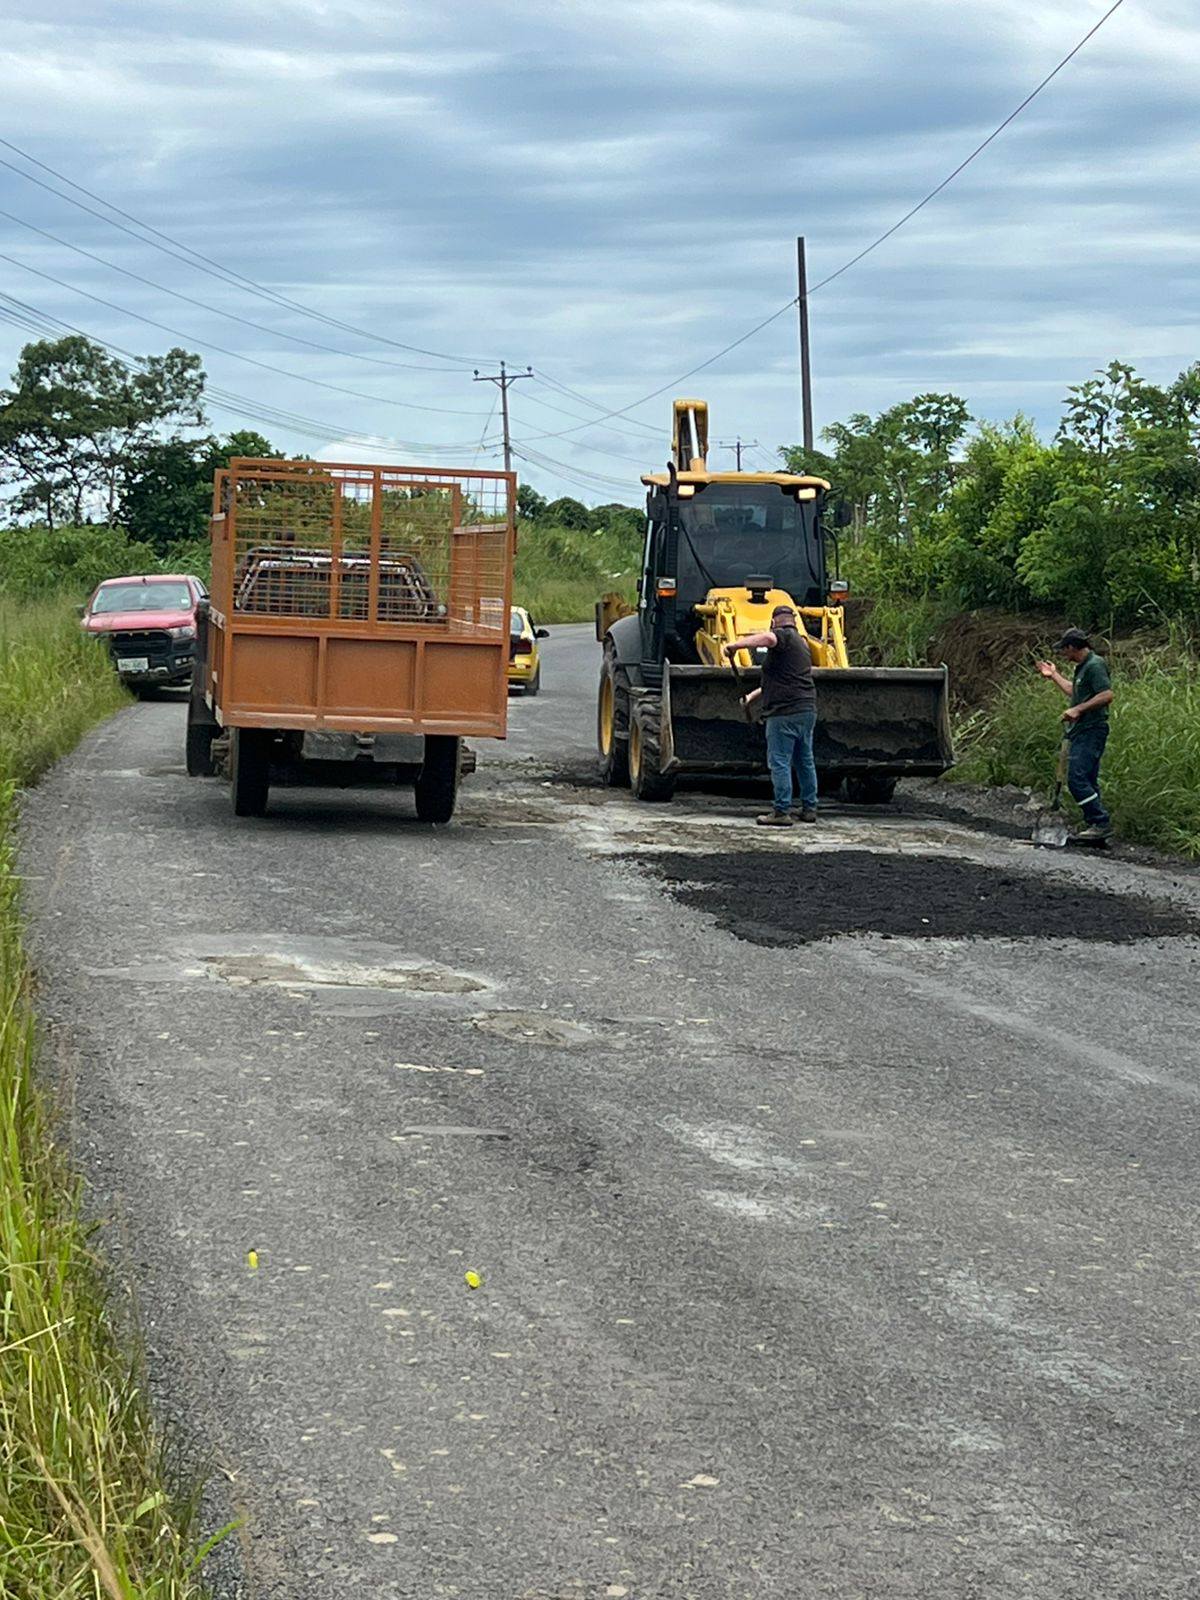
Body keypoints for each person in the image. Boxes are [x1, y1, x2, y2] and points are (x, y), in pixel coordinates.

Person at [725, 604, 818, 827]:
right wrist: (751, 697)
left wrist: (735, 645)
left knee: (780, 761)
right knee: (804, 760)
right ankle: (809, 808)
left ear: (775, 622)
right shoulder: (802, 645)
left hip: (784, 713)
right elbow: (780, 680)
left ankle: (781, 811)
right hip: (806, 709)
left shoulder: (783, 636)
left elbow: (768, 638)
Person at [1036, 627, 1115, 840]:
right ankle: (1094, 827)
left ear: (1072, 647)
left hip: (1092, 730)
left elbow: (1106, 695)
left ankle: (1100, 821)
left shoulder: (1095, 665)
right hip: (1081, 730)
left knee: (1076, 779)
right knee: (1088, 778)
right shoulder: (1083, 667)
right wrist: (1053, 675)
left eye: (1064, 649)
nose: (1062, 653)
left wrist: (1078, 709)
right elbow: (1075, 691)